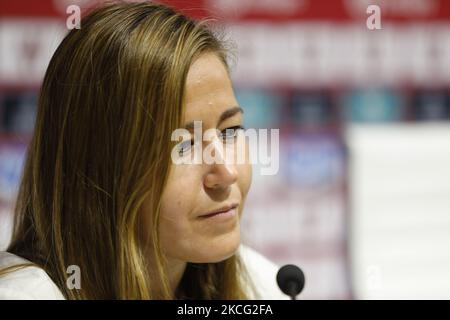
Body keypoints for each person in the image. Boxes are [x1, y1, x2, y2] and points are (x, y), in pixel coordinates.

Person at [0, 1, 286, 300]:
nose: (226, 172)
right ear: (96, 165)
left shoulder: (264, 286)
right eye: (184, 145)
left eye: (230, 131)